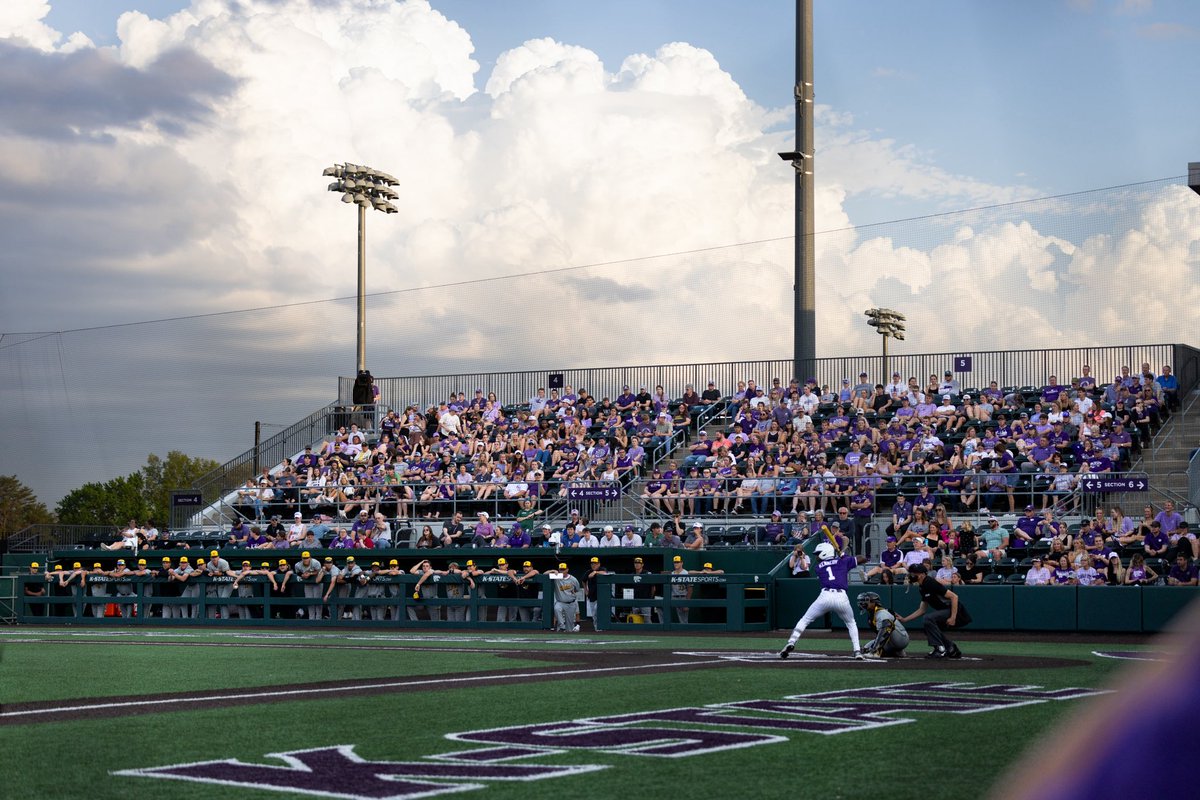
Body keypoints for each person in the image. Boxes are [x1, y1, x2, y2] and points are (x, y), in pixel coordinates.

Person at [779, 540, 867, 659]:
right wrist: (845, 556)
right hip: (841, 598)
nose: (817, 556)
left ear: (824, 553)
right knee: (851, 623)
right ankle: (857, 651)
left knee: (805, 619)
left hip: (825, 596)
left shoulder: (818, 567)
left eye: (818, 553)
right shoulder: (843, 561)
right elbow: (863, 558)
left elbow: (831, 565)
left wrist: (843, 558)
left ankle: (791, 642)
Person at [898, 562, 972, 659]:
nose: (911, 575)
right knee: (928, 625)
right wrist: (905, 620)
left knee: (928, 619)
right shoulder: (922, 587)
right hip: (945, 610)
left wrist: (953, 617)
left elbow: (954, 597)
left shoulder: (930, 583)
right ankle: (951, 648)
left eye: (914, 573)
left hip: (956, 611)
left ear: (921, 574)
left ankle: (940, 649)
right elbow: (922, 609)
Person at [857, 591, 909, 658]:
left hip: (902, 639)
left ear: (874, 602)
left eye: (866, 600)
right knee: (864, 650)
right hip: (891, 642)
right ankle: (896, 651)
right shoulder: (871, 615)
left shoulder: (882, 613)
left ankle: (876, 651)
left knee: (886, 625)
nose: (863, 603)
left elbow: (885, 629)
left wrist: (874, 648)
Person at [550, 562, 581, 632]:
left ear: (567, 570)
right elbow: (544, 574)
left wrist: (572, 592)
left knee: (570, 627)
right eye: (560, 569)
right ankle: (561, 626)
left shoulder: (573, 579)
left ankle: (568, 636)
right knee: (557, 609)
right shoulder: (556, 577)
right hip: (560, 602)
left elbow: (577, 589)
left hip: (571, 603)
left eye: (564, 569)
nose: (562, 571)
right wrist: (552, 571)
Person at [584, 556, 610, 631]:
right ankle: (597, 628)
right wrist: (586, 590)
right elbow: (583, 580)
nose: (593, 565)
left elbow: (605, 573)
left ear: (599, 564)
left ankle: (602, 626)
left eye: (595, 563)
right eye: (592, 564)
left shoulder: (602, 569)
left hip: (601, 596)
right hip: (592, 595)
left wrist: (595, 572)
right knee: (594, 615)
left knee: (597, 609)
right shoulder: (588, 572)